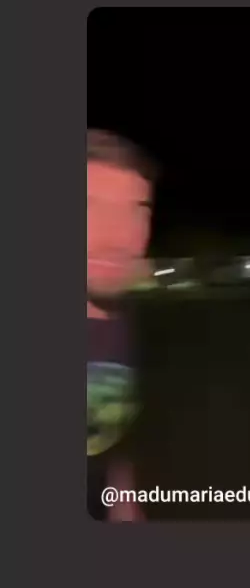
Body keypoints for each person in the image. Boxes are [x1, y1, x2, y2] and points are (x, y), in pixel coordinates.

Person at [87, 129, 156, 521]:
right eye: (89, 206)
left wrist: (124, 507)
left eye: (136, 211)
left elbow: (106, 436)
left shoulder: (122, 320)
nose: (120, 237)